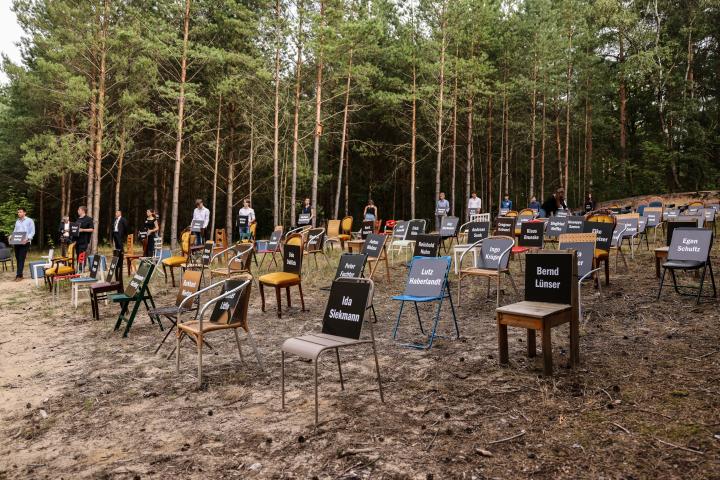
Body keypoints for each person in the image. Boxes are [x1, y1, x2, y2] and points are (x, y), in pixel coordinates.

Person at [12, 207, 35, 281]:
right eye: (18, 212)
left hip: (25, 242)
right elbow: (15, 231)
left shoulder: (29, 220)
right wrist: (11, 236)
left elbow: (32, 232)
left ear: (25, 213)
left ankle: (18, 275)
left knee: (21, 258)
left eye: (20, 212)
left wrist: (27, 238)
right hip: (17, 242)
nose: (19, 213)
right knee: (18, 258)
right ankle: (20, 274)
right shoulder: (17, 221)